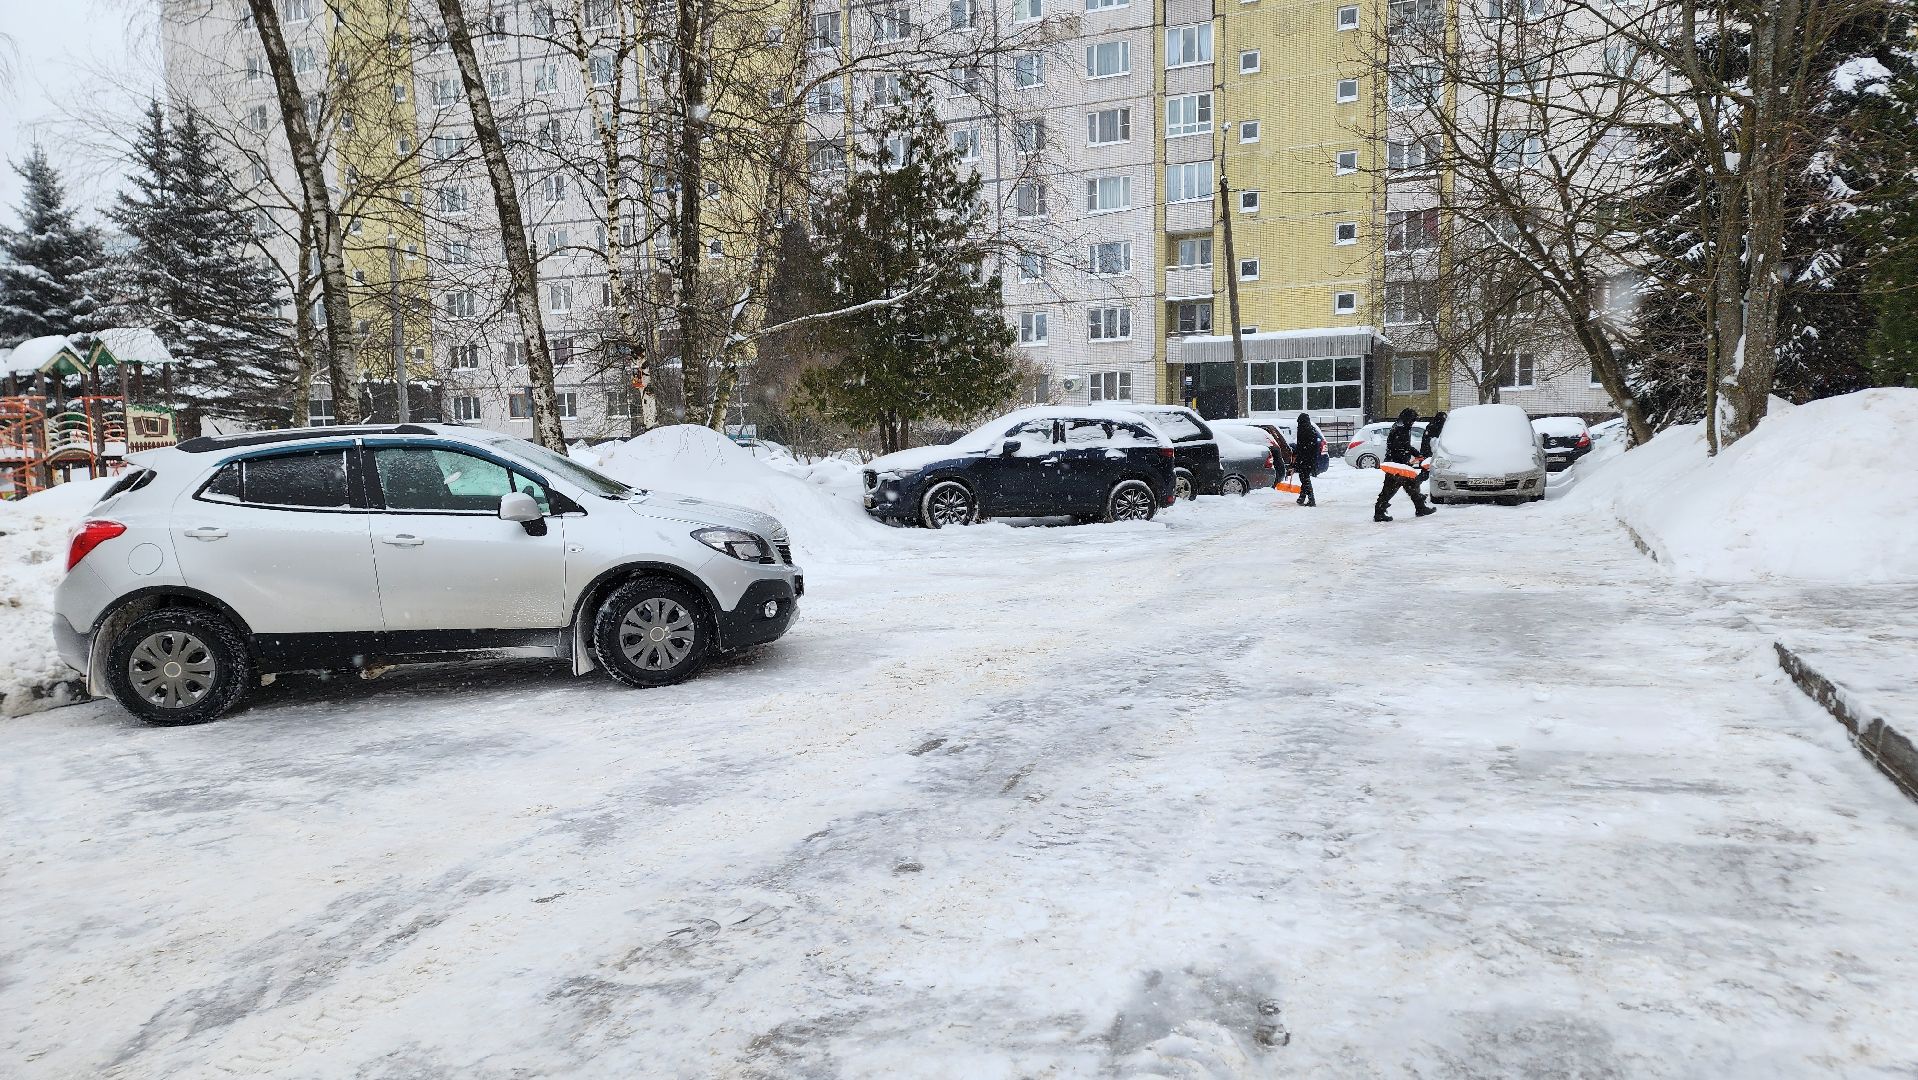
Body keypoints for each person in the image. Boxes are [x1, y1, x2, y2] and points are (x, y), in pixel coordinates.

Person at [1374, 408, 1435, 522]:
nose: (1413, 423)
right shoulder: (1402, 428)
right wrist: (1416, 454)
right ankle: (1420, 508)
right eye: (1412, 420)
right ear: (1408, 419)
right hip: (1398, 465)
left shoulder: (1399, 425)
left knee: (1400, 487)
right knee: (1405, 486)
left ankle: (1380, 511)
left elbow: (1402, 446)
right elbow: (1403, 446)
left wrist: (1415, 455)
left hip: (1396, 463)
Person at [1293, 413, 1320, 507]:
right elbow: (1313, 446)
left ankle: (1311, 499)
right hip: (1310, 458)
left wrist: (1297, 454)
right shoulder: (1311, 429)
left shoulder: (1303, 430)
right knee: (1305, 478)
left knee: (1304, 479)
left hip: (1304, 458)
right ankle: (1302, 497)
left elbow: (1301, 445)